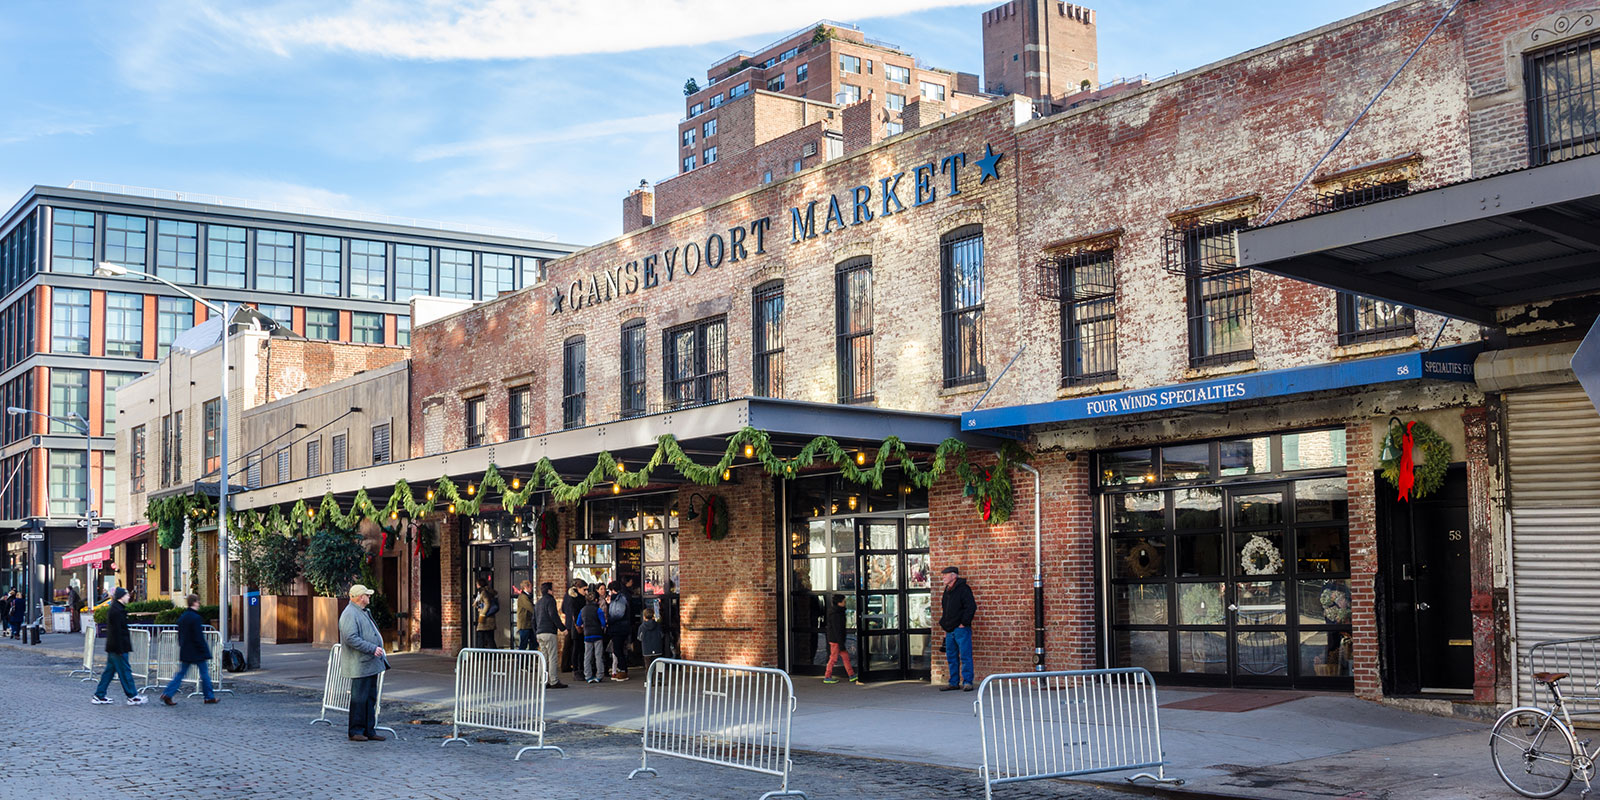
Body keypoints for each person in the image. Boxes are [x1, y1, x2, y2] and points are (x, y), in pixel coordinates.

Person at [339, 584, 389, 742]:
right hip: (359, 664)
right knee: (359, 699)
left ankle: (369, 730)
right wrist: (372, 648)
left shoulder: (361, 612)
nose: (369, 597)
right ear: (360, 597)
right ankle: (356, 731)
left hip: (368, 664)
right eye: (367, 595)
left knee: (369, 698)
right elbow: (351, 638)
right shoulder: (350, 614)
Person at [160, 594, 217, 705]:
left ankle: (168, 693)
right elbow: (198, 637)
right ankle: (209, 696)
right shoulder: (196, 618)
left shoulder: (183, 617)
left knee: (181, 674)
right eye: (198, 601)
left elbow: (180, 635)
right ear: (195, 602)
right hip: (197, 651)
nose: (199, 603)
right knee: (204, 674)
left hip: (186, 650)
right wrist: (205, 650)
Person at [91, 587, 145, 705]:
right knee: (125, 671)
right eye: (127, 595)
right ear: (121, 596)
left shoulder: (116, 609)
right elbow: (117, 632)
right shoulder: (117, 611)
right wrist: (120, 648)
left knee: (109, 672)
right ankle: (132, 695)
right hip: (118, 647)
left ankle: (99, 695)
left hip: (114, 647)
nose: (129, 597)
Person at [938, 565, 976, 692]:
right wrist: (945, 627)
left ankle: (967, 682)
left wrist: (964, 623)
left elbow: (971, 607)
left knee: (965, 656)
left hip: (961, 629)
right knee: (951, 656)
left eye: (946, 574)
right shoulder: (947, 590)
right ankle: (954, 682)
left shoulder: (964, 589)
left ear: (953, 575)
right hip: (950, 629)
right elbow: (946, 611)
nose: (943, 576)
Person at [533, 581, 567, 689]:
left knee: (543, 657)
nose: (555, 590)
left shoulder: (538, 603)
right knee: (552, 657)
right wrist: (562, 628)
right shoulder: (550, 601)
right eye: (553, 589)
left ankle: (543, 680)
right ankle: (553, 680)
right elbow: (554, 615)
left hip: (540, 633)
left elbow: (533, 620)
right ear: (549, 590)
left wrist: (536, 632)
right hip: (549, 632)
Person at [823, 594, 858, 685]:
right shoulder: (837, 614)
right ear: (839, 602)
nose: (845, 603)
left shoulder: (837, 612)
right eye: (844, 601)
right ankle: (827, 676)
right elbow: (837, 629)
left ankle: (851, 674)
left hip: (837, 640)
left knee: (845, 657)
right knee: (834, 658)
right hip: (836, 640)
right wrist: (841, 642)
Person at [578, 586, 608, 684]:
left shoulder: (582, 610)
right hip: (597, 634)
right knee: (598, 655)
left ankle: (588, 676)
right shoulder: (598, 610)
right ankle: (599, 675)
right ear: (595, 600)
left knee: (587, 656)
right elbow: (603, 623)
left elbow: (578, 623)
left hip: (587, 635)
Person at [606, 581, 633, 681]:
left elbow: (619, 614)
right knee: (617, 649)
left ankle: (623, 670)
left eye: (610, 590)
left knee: (618, 649)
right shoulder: (615, 599)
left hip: (620, 628)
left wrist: (610, 620)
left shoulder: (621, 599)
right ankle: (621, 670)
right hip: (616, 628)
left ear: (614, 590)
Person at [561, 579, 588, 677]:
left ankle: (567, 666)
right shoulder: (578, 599)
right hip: (576, 625)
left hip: (569, 623)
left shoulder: (567, 596)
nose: (586, 592)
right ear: (578, 588)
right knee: (577, 647)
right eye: (584, 589)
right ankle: (576, 668)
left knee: (569, 647)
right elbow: (576, 613)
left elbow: (563, 609)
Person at [473, 573, 498, 649]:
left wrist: (482, 614)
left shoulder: (483, 592)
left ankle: (480, 654)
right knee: (489, 637)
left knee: (480, 636)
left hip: (485, 618)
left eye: (477, 584)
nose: (476, 585)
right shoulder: (489, 591)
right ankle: (494, 654)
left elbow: (487, 604)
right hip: (490, 618)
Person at [636, 607, 664, 671]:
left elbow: (640, 638)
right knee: (659, 663)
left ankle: (649, 679)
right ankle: (659, 678)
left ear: (644, 617)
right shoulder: (657, 625)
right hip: (657, 647)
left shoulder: (642, 627)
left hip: (646, 649)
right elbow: (661, 635)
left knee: (648, 665)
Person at [514, 580, 536, 652]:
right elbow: (530, 608)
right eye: (530, 587)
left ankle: (528, 660)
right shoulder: (523, 597)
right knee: (524, 644)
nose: (531, 589)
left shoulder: (526, 596)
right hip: (524, 624)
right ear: (526, 587)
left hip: (528, 624)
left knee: (533, 642)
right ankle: (522, 661)